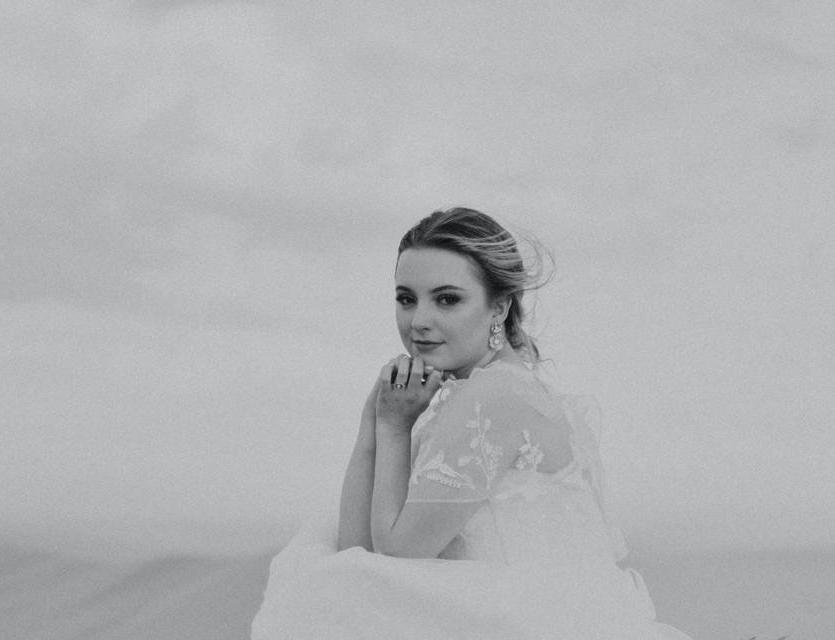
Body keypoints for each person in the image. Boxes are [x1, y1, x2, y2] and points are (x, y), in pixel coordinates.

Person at [252, 208, 692, 639]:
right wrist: (374, 422)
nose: (418, 321)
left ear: (499, 306)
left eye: (447, 299)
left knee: (309, 590)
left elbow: (397, 557)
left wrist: (394, 428)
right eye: (406, 298)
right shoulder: (492, 393)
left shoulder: (492, 397)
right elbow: (357, 554)